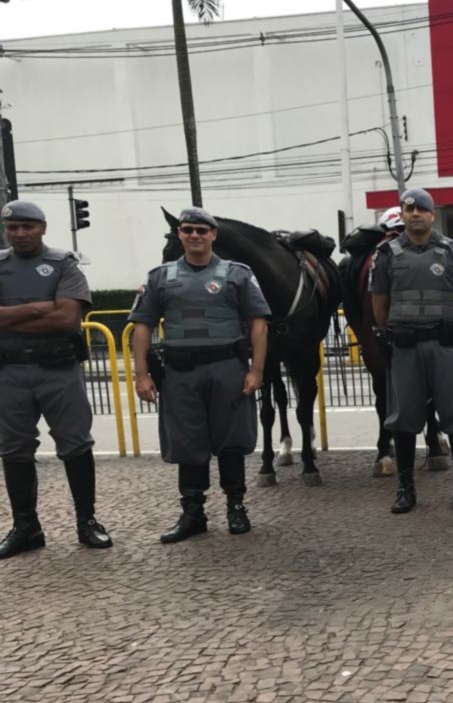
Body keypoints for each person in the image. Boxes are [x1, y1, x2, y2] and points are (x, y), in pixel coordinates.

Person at [131, 207, 270, 542]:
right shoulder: (159, 277)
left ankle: (236, 507)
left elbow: (258, 323)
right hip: (180, 373)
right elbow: (142, 326)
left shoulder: (238, 274)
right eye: (188, 229)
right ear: (179, 234)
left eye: (201, 230)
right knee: (187, 441)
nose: (194, 235)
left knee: (231, 440)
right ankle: (193, 513)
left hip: (227, 368)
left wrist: (256, 370)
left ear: (213, 235)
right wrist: (141, 374)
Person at [0, 200, 112, 559]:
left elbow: (66, 319)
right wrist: (38, 307)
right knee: (14, 449)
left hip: (59, 369)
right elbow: (55, 312)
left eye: (27, 226)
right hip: (9, 371)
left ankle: (87, 522)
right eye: (13, 227)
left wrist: (9, 316)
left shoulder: (63, 264)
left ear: (43, 228)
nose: (20, 233)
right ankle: (26, 528)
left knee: (75, 444)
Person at [369, 188, 453, 514]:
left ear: (432, 214)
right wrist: (394, 331)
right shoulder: (386, 254)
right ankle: (405, 488)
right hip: (405, 347)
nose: (415, 213)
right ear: (402, 215)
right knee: (404, 418)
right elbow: (379, 305)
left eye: (422, 209)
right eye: (409, 209)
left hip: (444, 344)